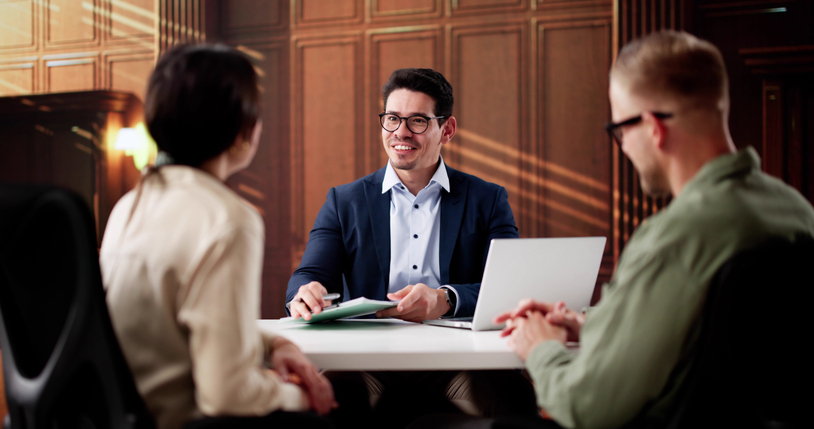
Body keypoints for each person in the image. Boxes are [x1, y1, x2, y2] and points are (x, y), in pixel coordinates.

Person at [493, 30, 814, 429]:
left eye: (620, 132)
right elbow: (715, 341)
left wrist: (541, 349)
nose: (624, 146)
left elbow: (586, 407)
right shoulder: (796, 210)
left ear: (653, 128)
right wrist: (591, 326)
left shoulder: (674, 238)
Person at [100, 44, 335, 429]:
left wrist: (274, 344)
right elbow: (226, 394)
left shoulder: (128, 205)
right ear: (244, 129)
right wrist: (300, 393)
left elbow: (178, 320)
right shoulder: (229, 219)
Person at [286, 68, 536, 426]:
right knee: (325, 398)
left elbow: (508, 290)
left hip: (458, 358)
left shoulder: (487, 199)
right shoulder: (345, 201)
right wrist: (304, 292)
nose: (400, 132)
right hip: (369, 359)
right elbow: (309, 274)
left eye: (417, 120)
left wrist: (445, 299)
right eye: (392, 119)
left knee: (514, 395)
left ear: (446, 130)